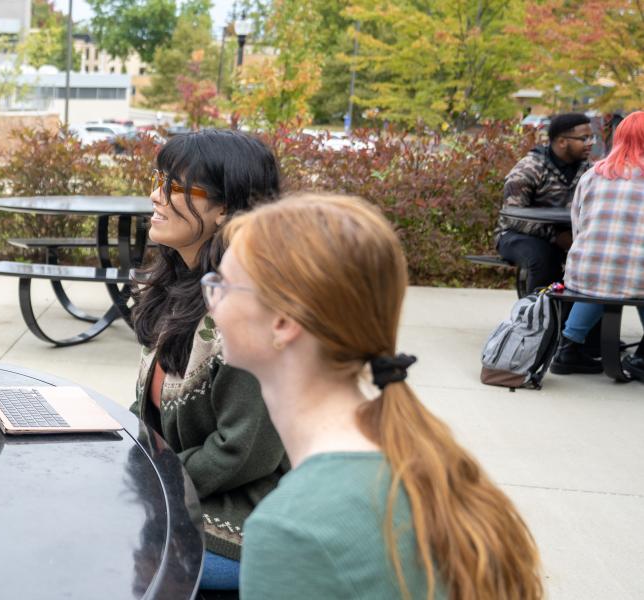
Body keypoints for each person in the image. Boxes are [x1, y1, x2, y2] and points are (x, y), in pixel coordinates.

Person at [212, 194, 543, 599]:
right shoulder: (423, 457)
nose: (211, 302)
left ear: (283, 322)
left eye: (223, 286)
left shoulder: (293, 527)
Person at [129, 129, 290, 591]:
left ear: (226, 209)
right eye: (159, 180)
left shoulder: (247, 305)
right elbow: (152, 416)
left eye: (176, 187)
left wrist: (156, 482)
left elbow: (246, 450)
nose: (156, 196)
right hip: (181, 488)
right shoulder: (176, 286)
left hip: (241, 509)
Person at [556, 111, 644, 380]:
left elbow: (578, 226)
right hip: (636, 275)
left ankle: (568, 349)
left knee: (607, 271)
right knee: (632, 270)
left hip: (586, 271)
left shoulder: (593, 174)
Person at [497, 112, 594, 293]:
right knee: (543, 257)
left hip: (570, 236)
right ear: (562, 141)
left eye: (592, 137)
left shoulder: (589, 170)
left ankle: (583, 319)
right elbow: (512, 217)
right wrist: (556, 237)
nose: (591, 143)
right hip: (518, 235)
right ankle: (537, 315)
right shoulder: (529, 168)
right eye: (584, 138)